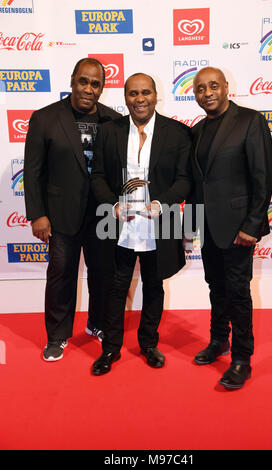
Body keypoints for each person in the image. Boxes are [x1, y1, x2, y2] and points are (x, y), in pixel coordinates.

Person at [90, 73, 192, 375]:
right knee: (115, 287)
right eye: (133, 93)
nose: (140, 99)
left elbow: (184, 180)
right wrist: (111, 203)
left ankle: (149, 344)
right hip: (119, 225)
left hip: (159, 223)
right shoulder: (110, 132)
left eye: (145, 92)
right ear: (125, 98)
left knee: (154, 285)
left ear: (155, 94)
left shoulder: (177, 133)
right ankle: (110, 348)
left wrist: (163, 203)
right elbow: (96, 176)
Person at [24, 58, 121, 361]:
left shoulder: (113, 120)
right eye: (83, 81)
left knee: (103, 273)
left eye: (95, 84)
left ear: (102, 88)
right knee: (61, 275)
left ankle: (98, 324)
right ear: (72, 80)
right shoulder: (45, 118)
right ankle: (57, 336)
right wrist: (38, 213)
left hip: (103, 215)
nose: (89, 89)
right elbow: (33, 171)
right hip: (61, 213)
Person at [184, 67, 272, 389]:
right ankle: (219, 340)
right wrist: (190, 226)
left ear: (225, 87)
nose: (206, 93)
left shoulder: (250, 121)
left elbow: (263, 177)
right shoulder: (196, 130)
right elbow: (198, 184)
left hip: (238, 228)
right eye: (199, 88)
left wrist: (252, 224)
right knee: (216, 287)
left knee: (238, 291)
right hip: (208, 227)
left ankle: (241, 359)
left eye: (212, 86)